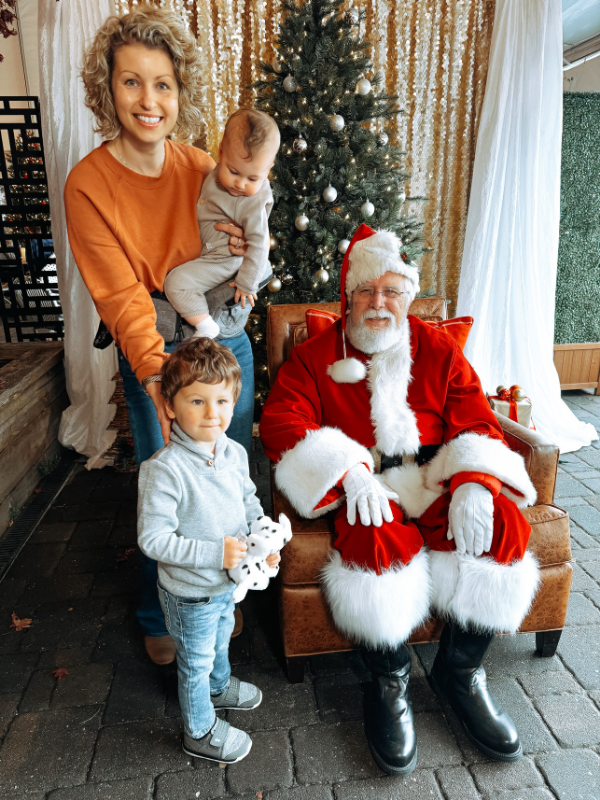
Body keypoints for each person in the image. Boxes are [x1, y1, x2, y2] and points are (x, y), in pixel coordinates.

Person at [260, 224, 540, 776]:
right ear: (349, 297)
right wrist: (348, 472)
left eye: (391, 290)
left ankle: (460, 675)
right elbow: (282, 421)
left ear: (406, 296)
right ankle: (388, 679)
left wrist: (473, 483)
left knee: (503, 525)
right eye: (366, 290)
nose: (378, 302)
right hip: (365, 488)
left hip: (433, 476)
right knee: (372, 537)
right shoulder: (316, 356)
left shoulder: (437, 349)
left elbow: (477, 419)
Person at [64, 6, 255, 666]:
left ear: (180, 92)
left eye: (163, 84)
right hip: (157, 350)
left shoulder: (203, 166)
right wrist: (154, 376)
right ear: (108, 88)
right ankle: (160, 613)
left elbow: (242, 243)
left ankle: (223, 594)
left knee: (227, 477)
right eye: (132, 82)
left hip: (222, 342)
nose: (149, 100)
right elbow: (120, 295)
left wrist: (243, 252)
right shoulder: (89, 185)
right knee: (168, 486)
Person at [138, 338, 280, 763]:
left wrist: (263, 541)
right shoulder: (163, 470)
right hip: (190, 593)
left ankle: (219, 688)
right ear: (169, 406)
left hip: (226, 585)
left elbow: (249, 501)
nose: (212, 413)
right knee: (195, 662)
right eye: (197, 401)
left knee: (221, 641)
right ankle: (198, 730)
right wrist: (214, 554)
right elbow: (152, 540)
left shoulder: (233, 451)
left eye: (222, 401)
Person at [164, 108, 280, 340]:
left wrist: (247, 284)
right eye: (233, 171)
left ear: (268, 170)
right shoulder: (206, 167)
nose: (240, 184)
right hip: (212, 251)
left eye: (253, 178)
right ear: (221, 153)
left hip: (223, 258)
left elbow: (259, 244)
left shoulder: (251, 202)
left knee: (176, 283)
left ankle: (206, 326)